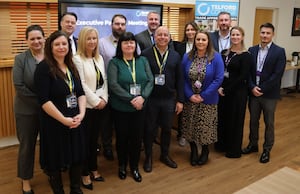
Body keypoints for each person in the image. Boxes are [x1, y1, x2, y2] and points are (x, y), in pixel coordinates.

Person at [34, 30, 86, 194]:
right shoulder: (44, 68)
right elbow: (44, 100)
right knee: (55, 157)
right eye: (57, 44)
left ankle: (75, 188)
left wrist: (82, 114)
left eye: (64, 43)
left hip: (75, 119)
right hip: (54, 122)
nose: (61, 47)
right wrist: (63, 119)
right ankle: (58, 189)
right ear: (50, 46)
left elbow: (81, 93)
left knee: (76, 154)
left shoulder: (71, 65)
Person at [107, 32, 153, 182]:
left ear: (136, 45)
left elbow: (150, 81)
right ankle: (122, 166)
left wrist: (142, 97)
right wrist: (132, 99)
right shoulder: (115, 62)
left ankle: (134, 167)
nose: (129, 45)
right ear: (120, 45)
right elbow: (113, 84)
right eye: (125, 42)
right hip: (121, 108)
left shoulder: (143, 60)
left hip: (140, 108)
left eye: (132, 42)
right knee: (122, 139)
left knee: (136, 139)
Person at [241, 23, 286, 163]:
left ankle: (267, 149)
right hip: (253, 92)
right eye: (262, 33)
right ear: (259, 34)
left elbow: (277, 74)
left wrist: (262, 88)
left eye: (267, 33)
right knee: (253, 121)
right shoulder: (252, 50)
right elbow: (247, 72)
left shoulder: (279, 51)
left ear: (272, 34)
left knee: (269, 123)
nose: (265, 35)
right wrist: (252, 87)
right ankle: (253, 144)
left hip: (269, 95)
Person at [141, 26, 184, 172]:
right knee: (149, 130)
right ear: (154, 37)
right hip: (151, 99)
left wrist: (180, 101)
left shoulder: (175, 56)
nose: (162, 37)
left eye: (166, 35)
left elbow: (180, 79)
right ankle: (148, 157)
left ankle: (164, 155)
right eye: (159, 35)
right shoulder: (145, 54)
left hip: (168, 99)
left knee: (166, 129)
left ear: (169, 38)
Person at [181, 30, 224, 166]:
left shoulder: (215, 57)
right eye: (198, 39)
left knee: (206, 127)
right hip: (191, 99)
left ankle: (205, 151)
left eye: (203, 40)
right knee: (191, 126)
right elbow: (182, 78)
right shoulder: (187, 56)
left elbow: (218, 79)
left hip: (208, 100)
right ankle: (193, 150)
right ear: (194, 41)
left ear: (208, 42)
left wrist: (203, 96)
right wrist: (190, 95)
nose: (200, 42)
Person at [73, 26, 107, 190]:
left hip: (100, 105)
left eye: (94, 38)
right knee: (85, 142)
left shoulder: (99, 58)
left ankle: (94, 168)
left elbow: (104, 81)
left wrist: (104, 99)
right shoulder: (77, 59)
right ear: (82, 40)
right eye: (89, 38)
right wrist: (95, 101)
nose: (92, 41)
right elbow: (81, 85)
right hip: (86, 107)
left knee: (94, 140)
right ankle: (84, 173)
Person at [12, 24, 45, 194]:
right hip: (27, 110)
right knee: (27, 147)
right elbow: (19, 86)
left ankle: (51, 172)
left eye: (39, 37)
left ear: (44, 38)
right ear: (27, 41)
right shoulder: (21, 59)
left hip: (49, 111)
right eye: (32, 38)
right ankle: (25, 181)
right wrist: (44, 102)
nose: (36, 41)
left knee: (49, 144)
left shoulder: (51, 56)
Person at [217, 26, 252, 158]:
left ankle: (233, 149)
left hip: (237, 93)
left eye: (238, 35)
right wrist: (219, 87)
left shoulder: (246, 55)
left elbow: (242, 76)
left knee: (235, 120)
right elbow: (220, 72)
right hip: (222, 91)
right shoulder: (225, 52)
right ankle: (222, 145)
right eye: (233, 35)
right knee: (223, 118)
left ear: (242, 37)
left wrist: (226, 89)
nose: (235, 37)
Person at [98, 14, 127, 161]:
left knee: (122, 120)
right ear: (111, 25)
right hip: (108, 89)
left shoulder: (130, 42)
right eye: (117, 24)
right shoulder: (102, 43)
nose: (120, 27)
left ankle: (122, 147)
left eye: (122, 24)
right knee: (106, 121)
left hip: (126, 90)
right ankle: (107, 147)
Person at [173, 21, 198, 147]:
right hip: (183, 82)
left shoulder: (201, 44)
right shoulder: (180, 46)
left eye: (192, 30)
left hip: (198, 83)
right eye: (188, 30)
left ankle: (195, 136)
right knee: (183, 110)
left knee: (197, 111)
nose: (190, 32)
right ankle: (182, 134)